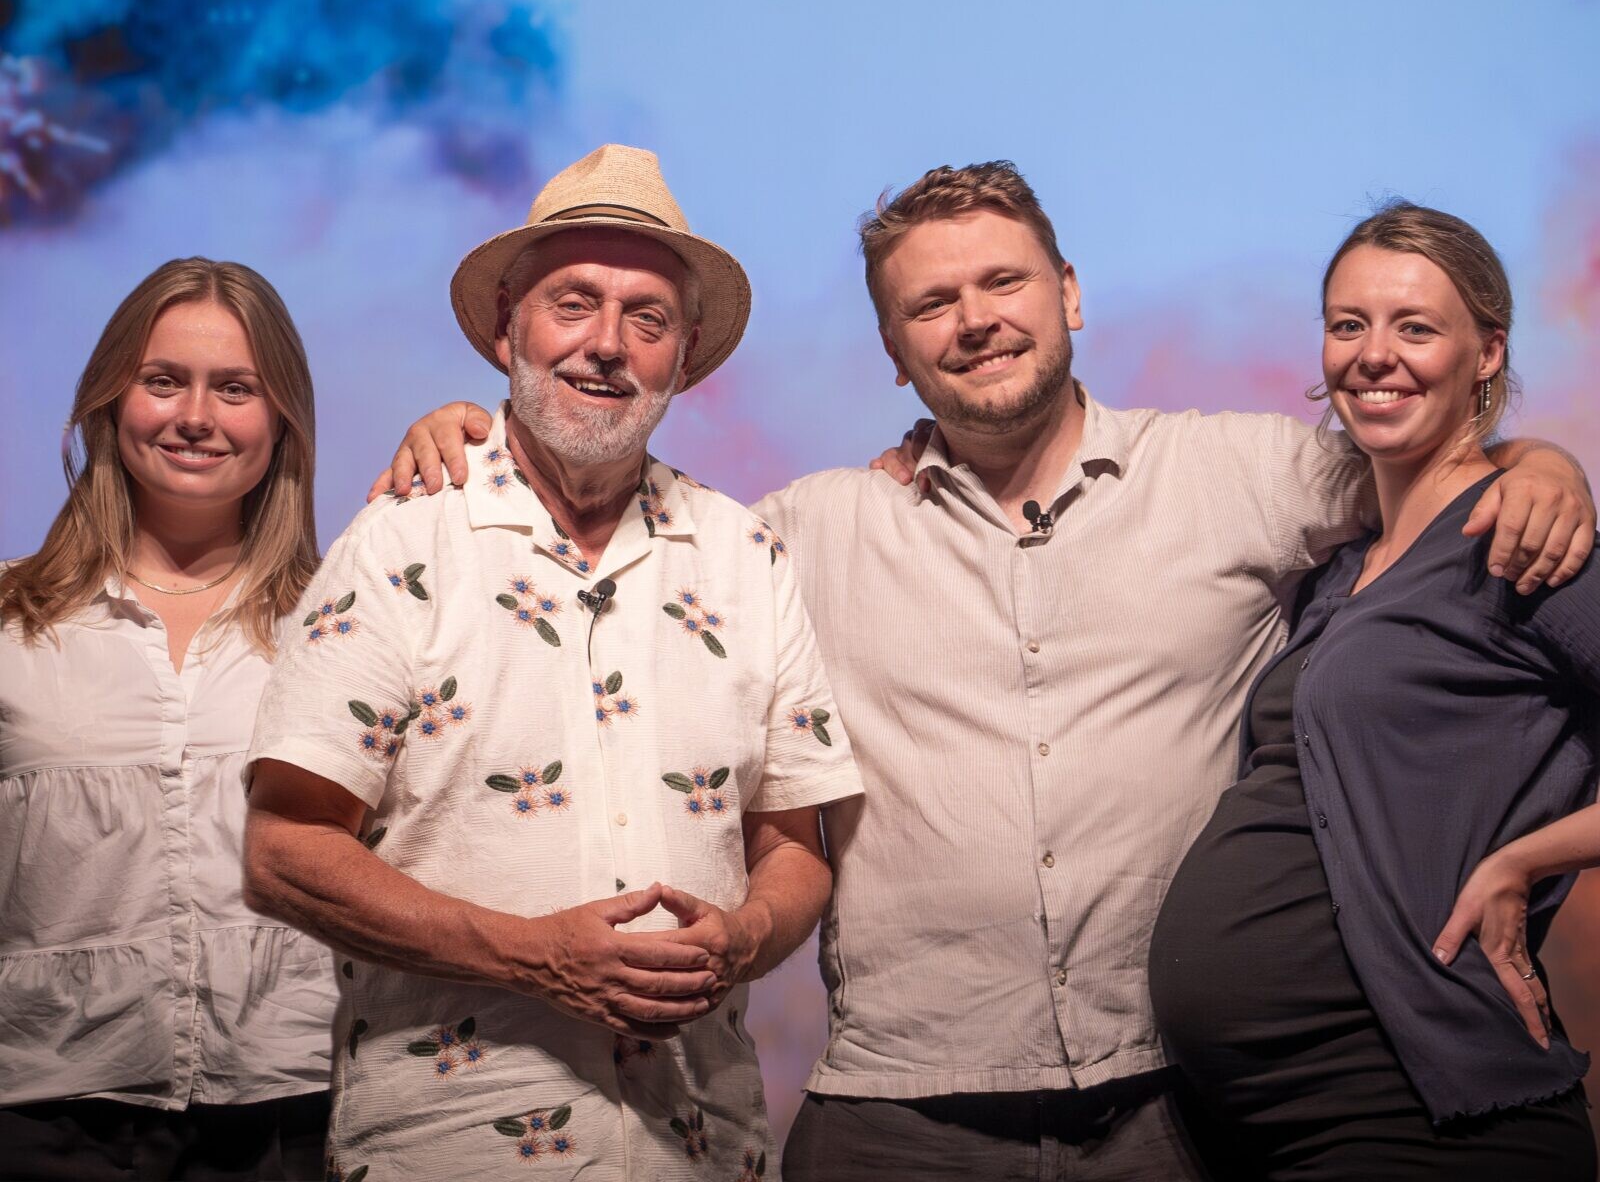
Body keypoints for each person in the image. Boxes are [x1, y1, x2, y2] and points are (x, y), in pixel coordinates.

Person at [378, 162, 1594, 1179]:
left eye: (1004, 281)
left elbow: (1426, 466)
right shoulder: (803, 530)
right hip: (896, 1115)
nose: (976, 318)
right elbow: (621, 520)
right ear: (895, 353)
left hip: (1168, 1114)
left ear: (1068, 292)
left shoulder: (1250, 476)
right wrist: (476, 428)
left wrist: (1538, 460)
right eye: (932, 304)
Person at [241, 144, 862, 1180]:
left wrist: (745, 935)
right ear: (506, 325)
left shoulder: (745, 555)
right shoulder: (403, 540)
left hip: (701, 1147)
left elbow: (793, 844)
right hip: (444, 1150)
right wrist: (535, 953)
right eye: (573, 301)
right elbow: (282, 850)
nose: (607, 344)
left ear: (687, 351)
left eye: (647, 317)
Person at [1147, 202, 1600, 1180]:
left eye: (1415, 327)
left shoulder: (1523, 537)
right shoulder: (1337, 569)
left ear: (1487, 352)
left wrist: (1526, 858)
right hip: (1266, 1124)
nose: (1373, 354)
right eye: (1347, 324)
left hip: (1414, 1116)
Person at [0, 258, 336, 1180]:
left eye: (236, 389)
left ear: (283, 421)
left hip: (294, 1117)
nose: (197, 417)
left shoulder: (342, 629)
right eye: (163, 381)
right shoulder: (9, 624)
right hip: (40, 1118)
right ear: (111, 401)